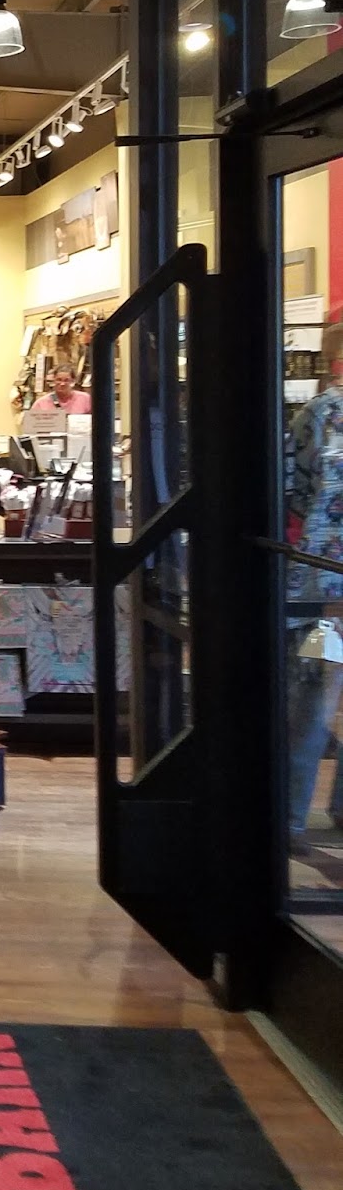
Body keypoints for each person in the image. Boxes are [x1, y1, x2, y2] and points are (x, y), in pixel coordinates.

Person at [284, 321, 343, 842]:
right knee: (315, 696)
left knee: (315, 700)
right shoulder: (319, 415)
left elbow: (294, 497)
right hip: (322, 588)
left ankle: (291, 816)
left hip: (320, 585)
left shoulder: (316, 416)